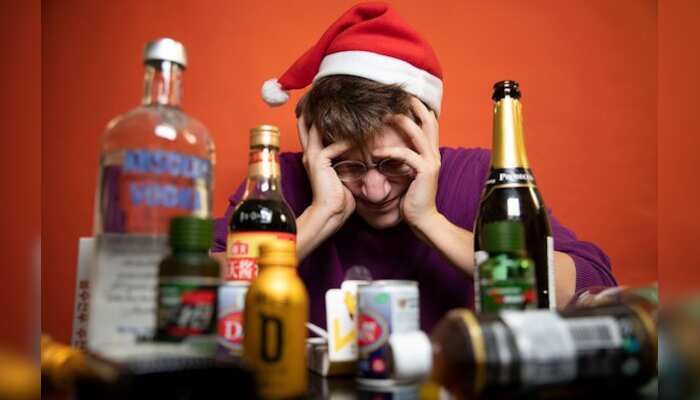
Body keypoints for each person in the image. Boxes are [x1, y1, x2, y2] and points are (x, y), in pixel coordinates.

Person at [212, 2, 616, 331]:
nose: (374, 190)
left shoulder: (478, 176)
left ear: (426, 135)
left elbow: (589, 285)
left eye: (393, 163)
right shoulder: (276, 184)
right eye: (348, 166)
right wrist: (320, 215)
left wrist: (429, 221)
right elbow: (202, 293)